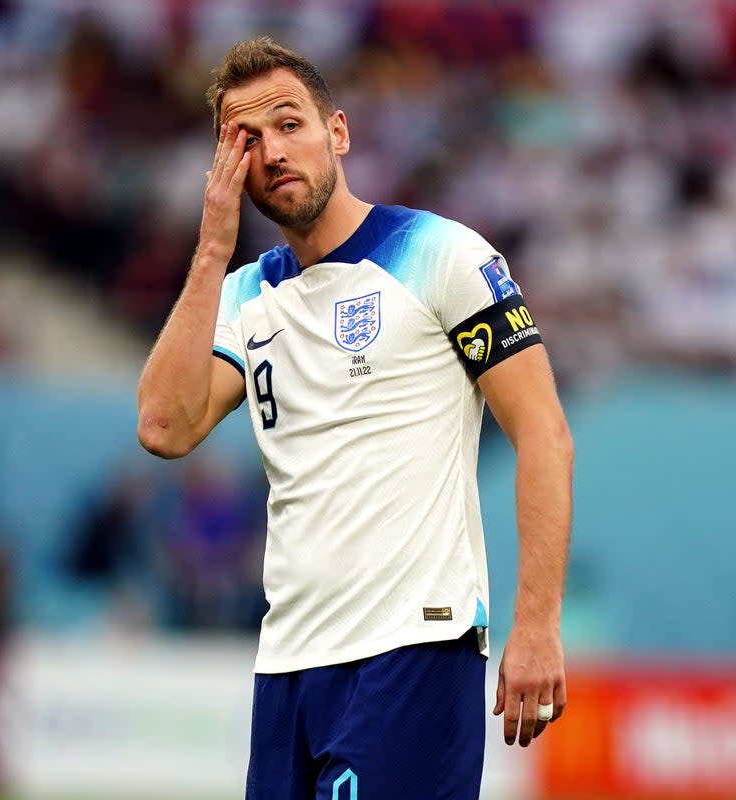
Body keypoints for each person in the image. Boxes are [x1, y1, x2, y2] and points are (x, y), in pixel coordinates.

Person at [137, 37, 573, 799]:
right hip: (288, 663)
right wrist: (211, 250)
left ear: (337, 132)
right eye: (246, 140)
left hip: (413, 646)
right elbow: (165, 429)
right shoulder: (244, 294)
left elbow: (543, 434)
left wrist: (534, 624)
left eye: (288, 123)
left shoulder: (439, 254)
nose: (271, 151)